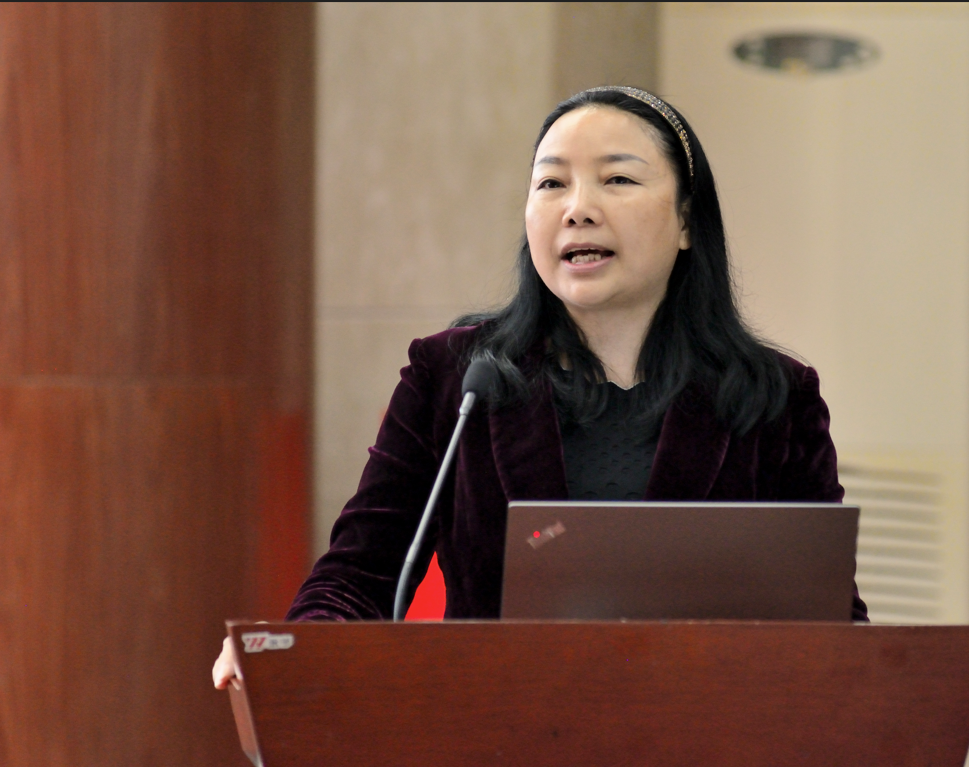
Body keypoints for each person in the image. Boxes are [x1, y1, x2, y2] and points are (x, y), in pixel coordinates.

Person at [213, 85, 867, 689]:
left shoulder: (773, 397)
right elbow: (361, 573)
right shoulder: (457, 377)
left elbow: (828, 619)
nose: (578, 209)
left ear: (688, 220)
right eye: (551, 183)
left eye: (617, 179)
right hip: (498, 732)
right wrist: (292, 646)